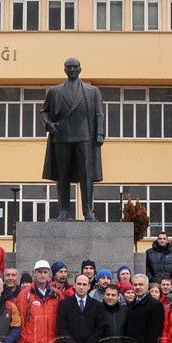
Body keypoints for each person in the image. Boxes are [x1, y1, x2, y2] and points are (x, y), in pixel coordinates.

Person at [42, 57, 106, 221]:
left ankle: (88, 211)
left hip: (84, 136)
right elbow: (44, 111)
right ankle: (64, 210)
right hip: (62, 135)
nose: (72, 70)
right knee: (62, 174)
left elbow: (99, 113)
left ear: (80, 69)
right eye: (69, 67)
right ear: (64, 70)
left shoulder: (92, 91)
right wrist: (49, 123)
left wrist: (99, 134)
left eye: (75, 67)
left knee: (86, 175)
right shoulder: (55, 91)